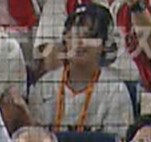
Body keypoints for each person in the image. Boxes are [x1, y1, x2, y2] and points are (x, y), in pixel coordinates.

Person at [28, 5, 136, 134]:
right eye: (74, 35)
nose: (80, 42)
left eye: (89, 37)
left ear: (104, 44)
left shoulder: (116, 90)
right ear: (65, 40)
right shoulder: (44, 86)